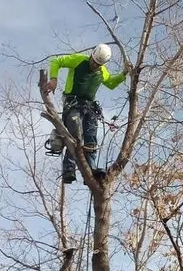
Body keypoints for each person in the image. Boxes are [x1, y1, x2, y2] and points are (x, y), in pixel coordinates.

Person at [46, 44, 127, 183]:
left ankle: (91, 168)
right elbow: (55, 61)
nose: (95, 66)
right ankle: (69, 168)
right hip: (73, 104)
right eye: (94, 62)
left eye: (98, 64)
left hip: (89, 107)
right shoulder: (79, 60)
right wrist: (53, 79)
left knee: (91, 137)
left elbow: (111, 83)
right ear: (92, 56)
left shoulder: (102, 71)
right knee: (76, 133)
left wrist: (124, 74)